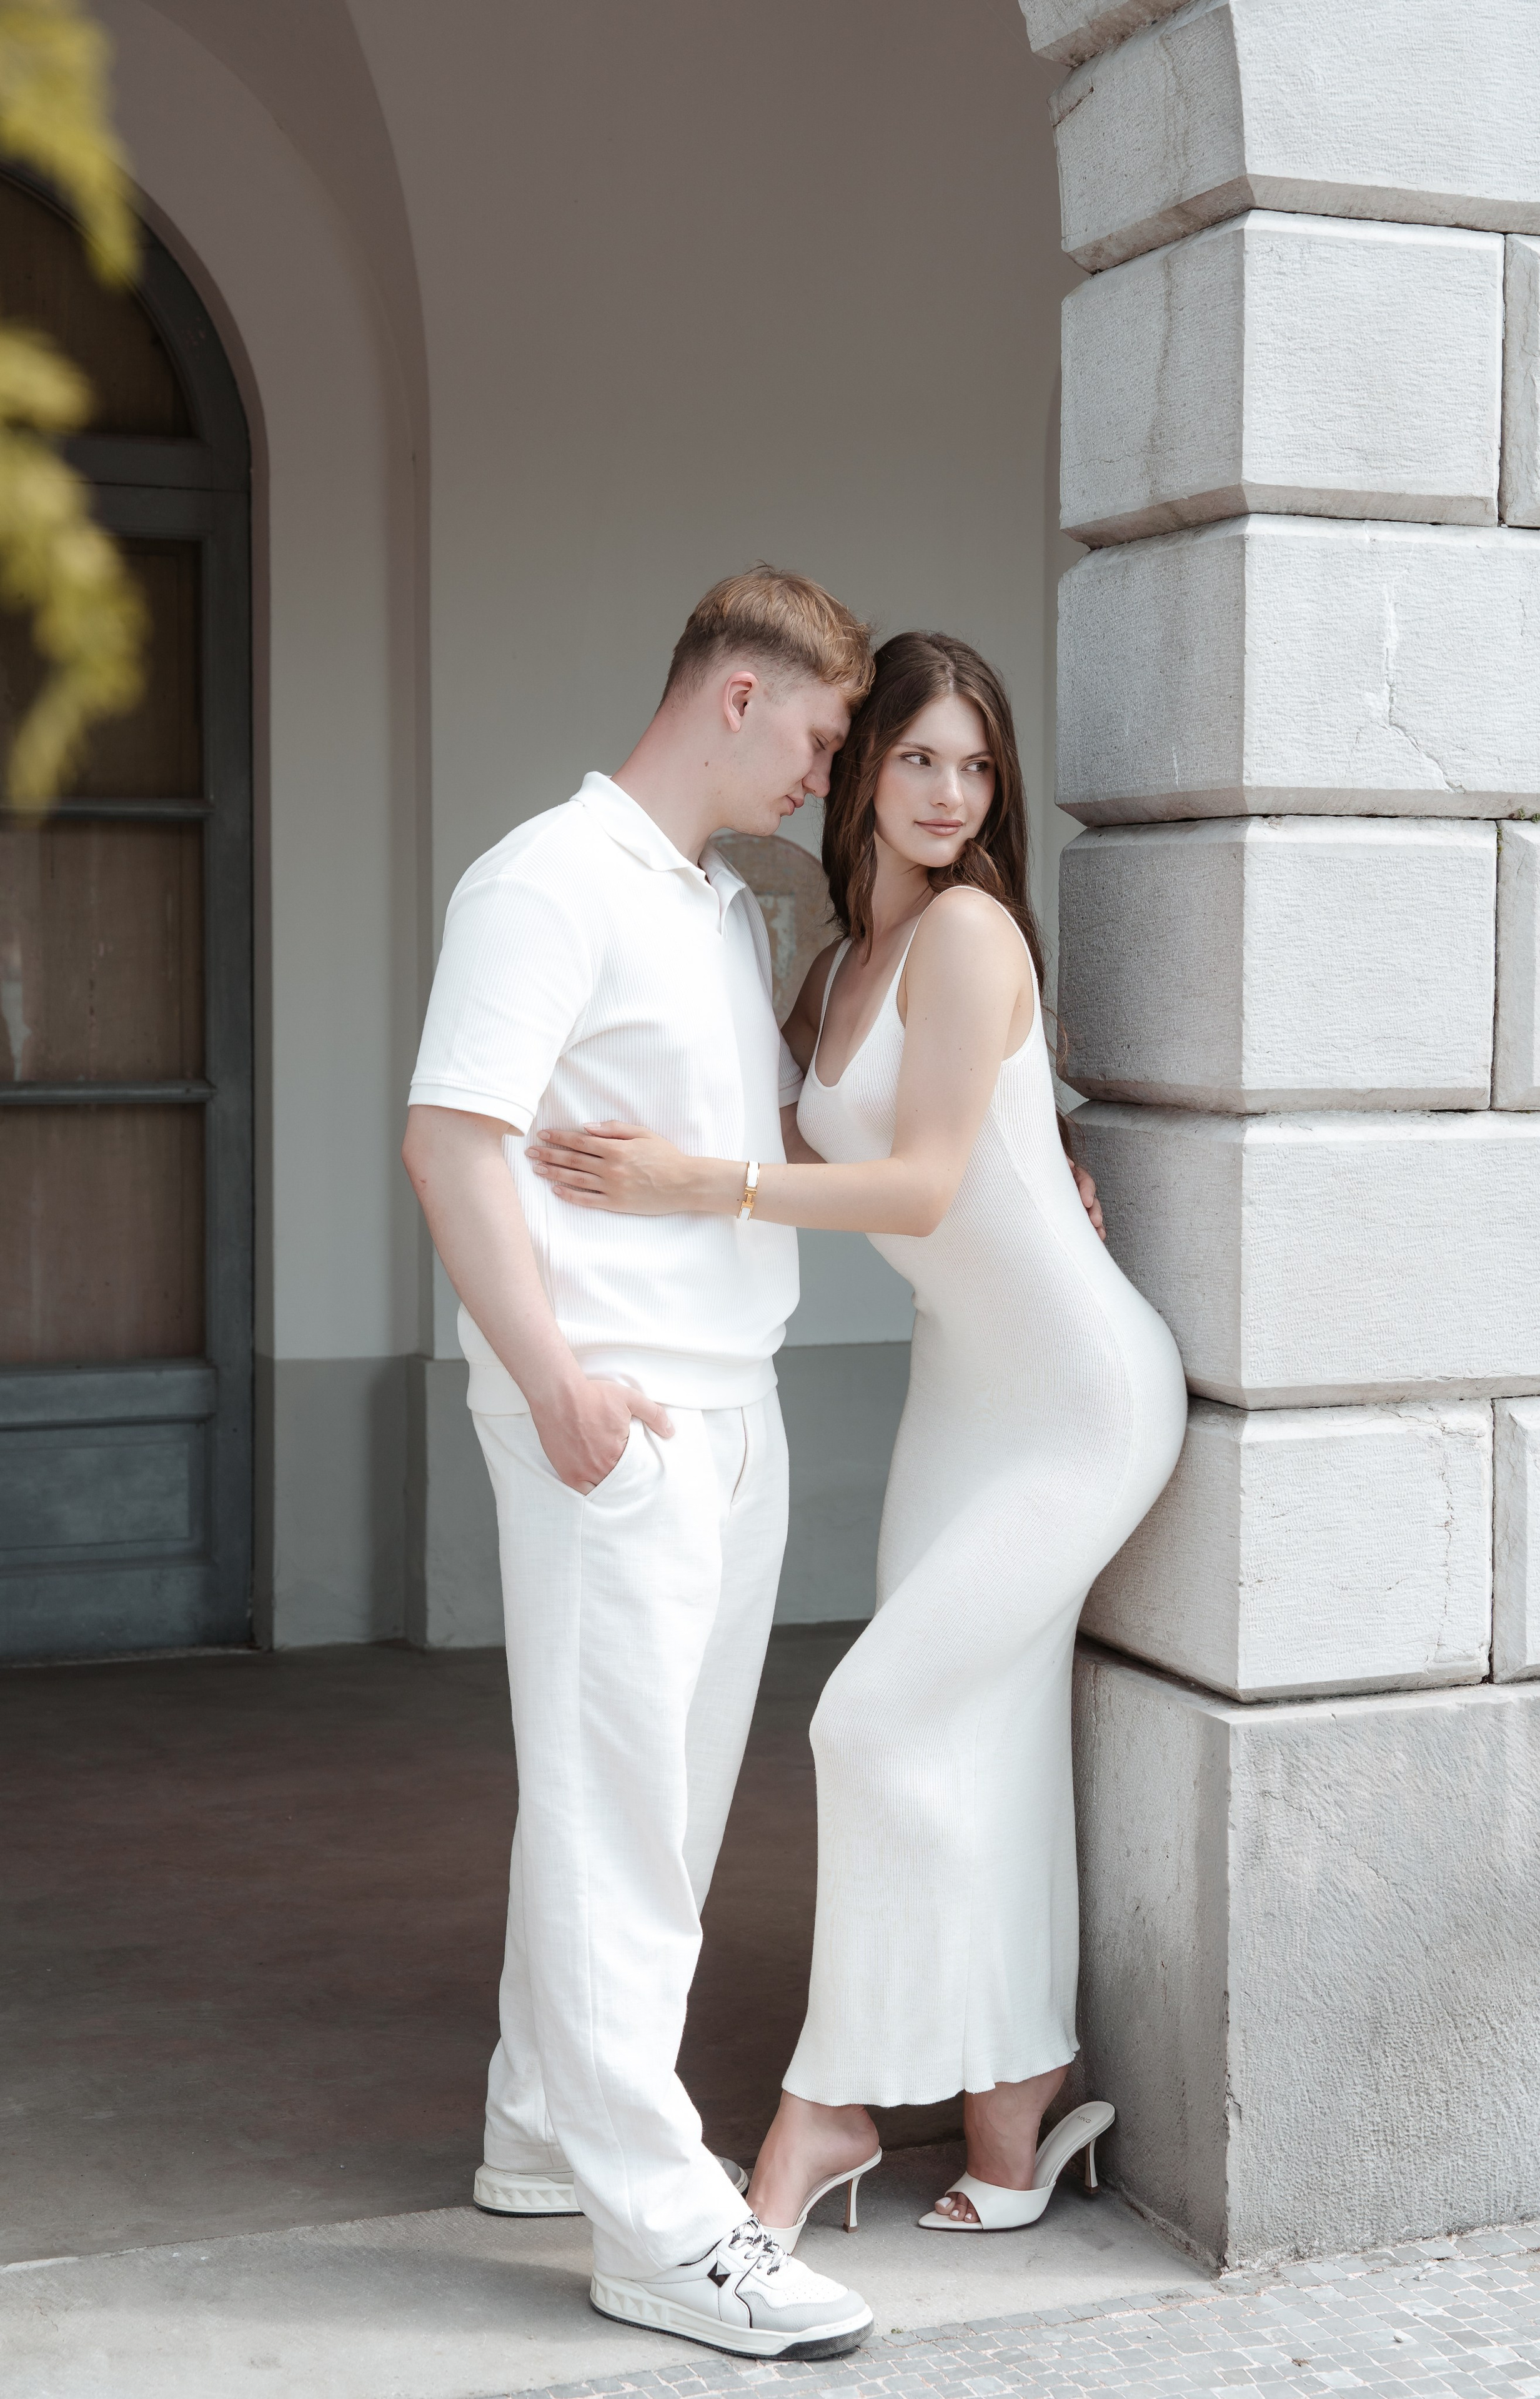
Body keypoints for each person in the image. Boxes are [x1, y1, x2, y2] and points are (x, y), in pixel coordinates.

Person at [531, 630, 1188, 2240]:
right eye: (918, 760)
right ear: (862, 771)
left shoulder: (970, 935)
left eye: (978, 767)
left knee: (869, 1719)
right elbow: (785, 1121)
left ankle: (827, 2111)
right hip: (960, 1391)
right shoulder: (829, 971)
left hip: (1083, 1402)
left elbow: (924, 1182)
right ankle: (1013, 2111)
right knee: (981, 1743)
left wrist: (710, 1185)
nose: (953, 794)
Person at [402, 568, 880, 2358]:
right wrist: (559, 1391)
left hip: (730, 1394)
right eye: (821, 743)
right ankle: (660, 2223)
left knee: (654, 1809)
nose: (822, 787)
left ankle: (542, 2124)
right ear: (735, 697)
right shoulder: (546, 880)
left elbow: (748, 1143)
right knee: (621, 1814)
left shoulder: (719, 909)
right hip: (614, 1412)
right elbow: (454, 1147)